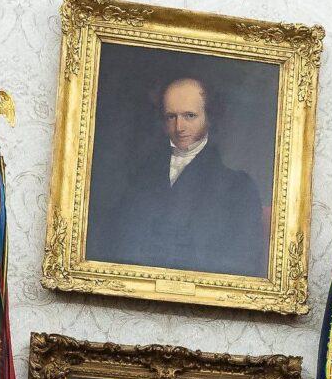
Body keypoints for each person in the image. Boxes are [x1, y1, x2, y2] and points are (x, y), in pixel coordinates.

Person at [93, 75, 267, 276]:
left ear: (209, 117)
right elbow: (116, 241)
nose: (179, 127)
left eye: (190, 116)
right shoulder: (141, 175)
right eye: (171, 117)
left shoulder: (237, 187)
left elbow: (243, 262)